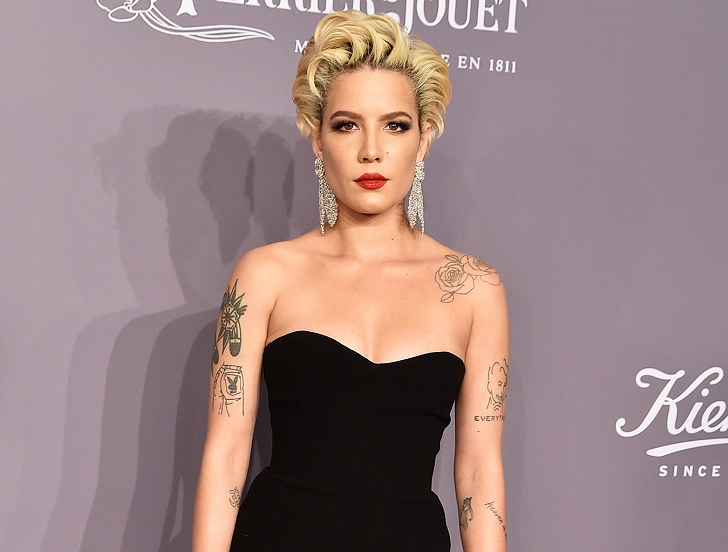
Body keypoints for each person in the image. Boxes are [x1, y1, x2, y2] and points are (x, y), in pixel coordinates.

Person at [193, 10, 508, 552]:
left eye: (395, 125)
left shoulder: (476, 289)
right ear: (318, 140)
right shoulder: (265, 275)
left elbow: (479, 472)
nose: (371, 150)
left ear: (423, 140)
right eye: (346, 125)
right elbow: (226, 455)